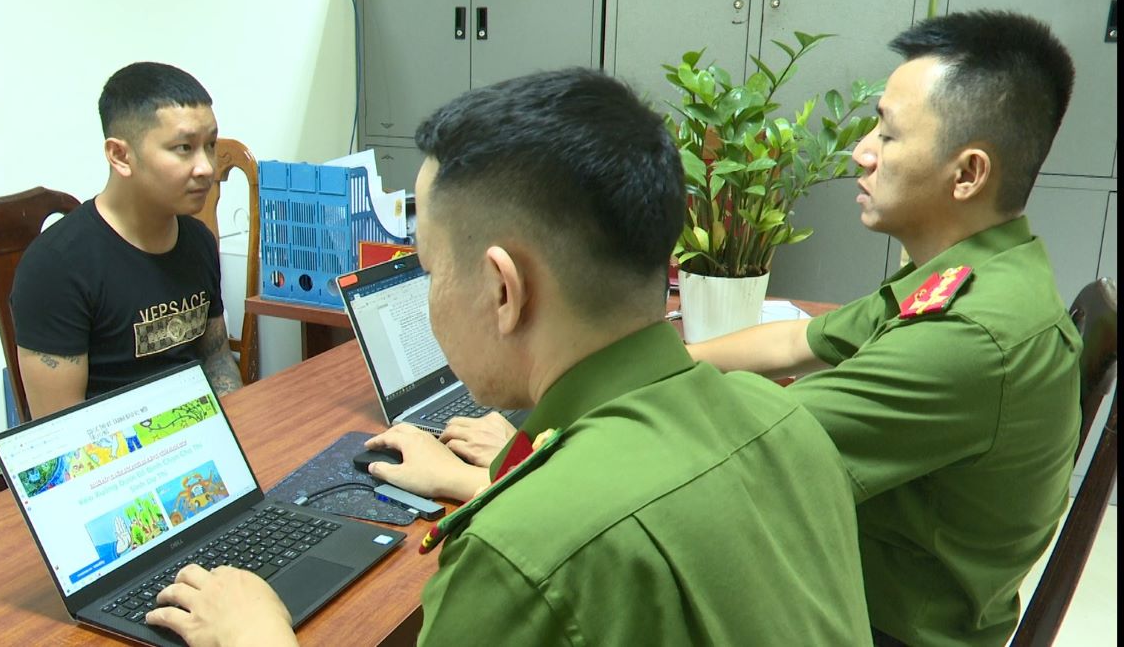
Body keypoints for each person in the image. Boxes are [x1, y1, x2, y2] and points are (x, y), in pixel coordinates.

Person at [144, 68, 873, 645]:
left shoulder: (521, 554)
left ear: (503, 288)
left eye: (428, 267)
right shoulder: (783, 420)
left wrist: (256, 636)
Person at [687, 11, 1081, 646]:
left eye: (889, 136)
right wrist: (663, 361)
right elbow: (793, 341)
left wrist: (522, 461)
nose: (861, 152)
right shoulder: (979, 271)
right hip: (869, 582)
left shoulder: (969, 335)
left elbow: (744, 452)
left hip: (882, 626)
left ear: (969, 173)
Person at [12, 62, 242, 417]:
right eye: (183, 148)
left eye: (209, 145)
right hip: (116, 460)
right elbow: (59, 434)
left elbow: (216, 358)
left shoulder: (198, 240)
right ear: (120, 155)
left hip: (201, 441)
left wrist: (245, 432)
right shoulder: (56, 267)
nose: (207, 167)